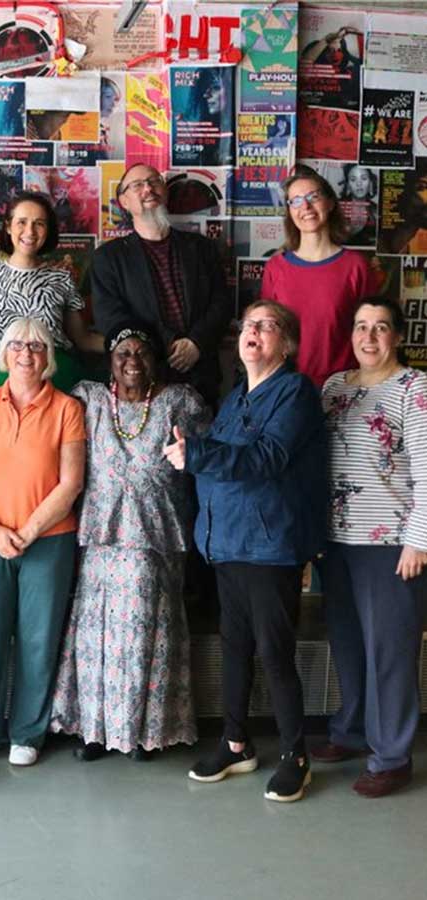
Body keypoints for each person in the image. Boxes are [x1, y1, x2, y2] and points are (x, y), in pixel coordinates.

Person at [164, 300, 328, 803]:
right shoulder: (237, 396)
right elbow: (223, 461)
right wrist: (194, 453)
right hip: (227, 543)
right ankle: (236, 744)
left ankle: (295, 757)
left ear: (287, 344)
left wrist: (196, 452)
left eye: (266, 325)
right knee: (235, 646)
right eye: (247, 325)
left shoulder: (295, 392)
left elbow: (267, 457)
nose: (252, 331)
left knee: (274, 652)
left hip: (269, 546)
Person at [51, 323, 208, 760]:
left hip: (154, 534)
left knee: (144, 634)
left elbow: (208, 454)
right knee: (95, 634)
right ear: (110, 361)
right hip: (101, 536)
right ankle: (95, 730)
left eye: (142, 352)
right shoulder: (90, 400)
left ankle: (142, 731)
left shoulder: (179, 402)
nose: (132, 361)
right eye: (123, 352)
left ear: (155, 360)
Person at [0, 317, 85, 769]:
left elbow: (71, 483)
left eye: (37, 346)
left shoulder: (67, 408)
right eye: (17, 345)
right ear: (4, 355)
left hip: (50, 541)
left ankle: (27, 733)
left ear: (49, 358)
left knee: (38, 640)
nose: (26, 353)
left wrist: (28, 531)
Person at [315, 298, 427, 797]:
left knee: (389, 653)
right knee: (348, 644)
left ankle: (391, 756)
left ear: (397, 336)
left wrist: (419, 540)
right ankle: (352, 730)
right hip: (336, 541)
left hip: (391, 545)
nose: (370, 336)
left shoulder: (415, 388)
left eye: (381, 327)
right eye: (361, 326)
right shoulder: (334, 387)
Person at [90, 163, 232, 408]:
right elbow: (109, 317)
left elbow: (222, 302)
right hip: (143, 378)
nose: (148, 189)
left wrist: (196, 343)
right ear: (124, 201)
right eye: (137, 185)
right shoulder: (108, 258)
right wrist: (168, 343)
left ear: (165, 191)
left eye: (154, 181)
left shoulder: (202, 247)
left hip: (201, 374)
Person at [0, 191, 102, 390]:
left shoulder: (61, 279)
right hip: (6, 379)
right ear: (8, 227)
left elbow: (83, 339)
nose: (30, 231)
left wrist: (127, 340)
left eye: (39, 223)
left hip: (57, 377)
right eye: (22, 222)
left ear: (47, 230)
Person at [260, 165, 374, 387]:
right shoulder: (276, 267)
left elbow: (370, 332)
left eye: (313, 196)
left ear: (330, 203)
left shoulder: (356, 266)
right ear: (290, 211)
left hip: (343, 388)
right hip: (288, 389)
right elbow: (268, 334)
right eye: (295, 201)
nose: (305, 206)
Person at [340, 164, 377, 247]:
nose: (359, 183)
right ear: (348, 184)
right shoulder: (337, 207)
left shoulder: (376, 210)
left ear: (370, 182)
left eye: (364, 178)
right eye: (353, 179)